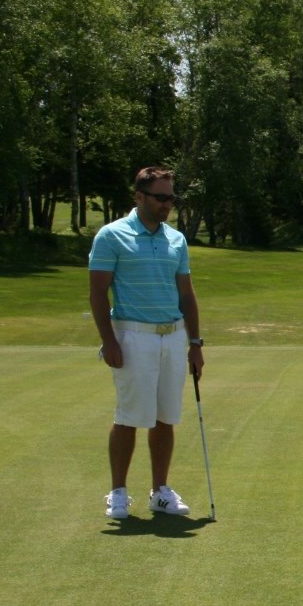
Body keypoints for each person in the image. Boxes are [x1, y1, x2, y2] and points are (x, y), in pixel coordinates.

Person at [89, 166, 205, 520]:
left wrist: (195, 343)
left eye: (170, 197)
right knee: (129, 417)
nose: (167, 204)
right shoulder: (112, 236)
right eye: (160, 197)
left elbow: (186, 294)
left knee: (165, 418)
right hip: (132, 335)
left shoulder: (176, 239)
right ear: (139, 197)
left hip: (172, 336)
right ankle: (119, 493)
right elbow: (97, 292)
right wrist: (109, 341)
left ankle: (160, 492)